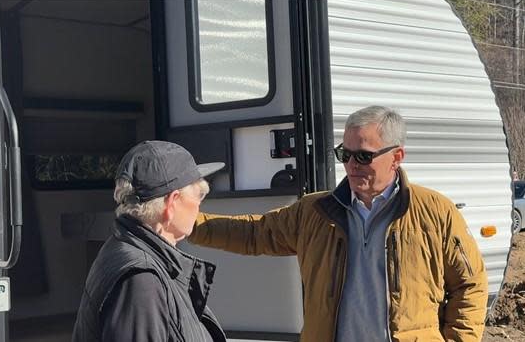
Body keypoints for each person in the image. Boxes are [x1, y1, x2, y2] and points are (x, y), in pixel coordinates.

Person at [189, 106, 488, 342]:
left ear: (397, 156)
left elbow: (470, 284)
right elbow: (254, 233)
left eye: (363, 156)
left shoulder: (434, 212)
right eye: (344, 155)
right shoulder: (316, 211)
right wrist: (189, 223)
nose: (352, 165)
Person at [73, 141, 226, 342]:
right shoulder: (141, 281)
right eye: (199, 195)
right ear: (172, 203)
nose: (199, 205)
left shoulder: (131, 252)